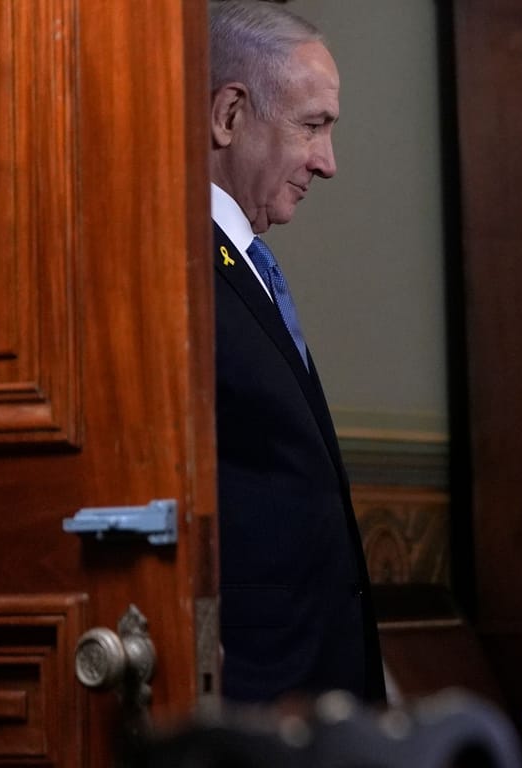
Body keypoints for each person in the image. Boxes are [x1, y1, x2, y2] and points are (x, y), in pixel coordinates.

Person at [207, 0, 384, 703]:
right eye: (313, 126)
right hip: (254, 703)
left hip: (314, 700)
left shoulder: (246, 261)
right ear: (229, 115)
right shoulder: (169, 270)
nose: (328, 163)